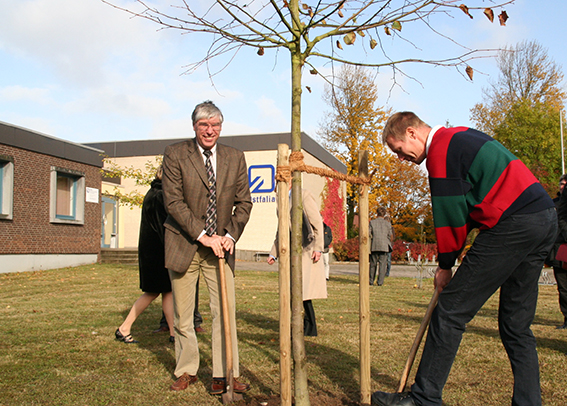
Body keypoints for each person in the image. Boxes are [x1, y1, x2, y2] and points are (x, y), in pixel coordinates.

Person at [372, 111, 557, 406]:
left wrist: (445, 265)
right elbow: (473, 205)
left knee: (450, 311)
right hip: (544, 217)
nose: (400, 158)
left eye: (398, 149)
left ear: (411, 133)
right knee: (516, 324)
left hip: (515, 222)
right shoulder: (460, 135)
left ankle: (424, 400)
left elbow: (452, 218)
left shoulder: (441, 153)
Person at [162, 101, 252, 394]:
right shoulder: (176, 154)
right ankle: (187, 370)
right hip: (185, 243)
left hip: (221, 249)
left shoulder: (235, 157)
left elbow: (244, 203)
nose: (209, 131)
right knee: (183, 316)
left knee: (225, 313)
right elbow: (173, 202)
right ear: (194, 127)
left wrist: (230, 236)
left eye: (215, 125)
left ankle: (225, 372)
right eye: (204, 125)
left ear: (221, 127)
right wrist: (204, 236)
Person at [115, 165, 175, 344]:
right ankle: (124, 328)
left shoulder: (152, 192)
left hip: (152, 251)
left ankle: (173, 333)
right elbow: (164, 227)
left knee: (165, 292)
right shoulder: (161, 196)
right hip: (158, 252)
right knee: (155, 292)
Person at [267, 188, 328, 336]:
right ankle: (300, 325)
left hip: (306, 249)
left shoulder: (303, 194)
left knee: (302, 291)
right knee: (294, 290)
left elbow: (317, 222)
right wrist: (273, 253)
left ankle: (310, 327)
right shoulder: (280, 198)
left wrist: (318, 248)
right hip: (291, 253)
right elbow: (281, 229)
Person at [547, 174, 567, 329]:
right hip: (560, 248)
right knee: (563, 286)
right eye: (562, 182)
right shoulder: (552, 204)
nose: (563, 185)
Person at [369, 207, 393, 286]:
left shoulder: (372, 222)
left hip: (374, 245)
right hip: (384, 246)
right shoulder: (388, 224)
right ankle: (380, 282)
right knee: (382, 265)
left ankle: (371, 281)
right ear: (384, 214)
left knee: (373, 264)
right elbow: (390, 236)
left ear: (377, 213)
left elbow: (368, 233)